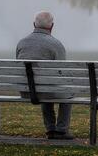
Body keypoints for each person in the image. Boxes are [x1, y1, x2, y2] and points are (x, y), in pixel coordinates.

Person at [16, 11, 74, 140]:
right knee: (67, 92)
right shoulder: (56, 44)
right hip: (46, 90)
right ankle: (61, 130)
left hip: (26, 91)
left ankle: (50, 129)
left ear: (34, 24)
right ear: (52, 26)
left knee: (44, 86)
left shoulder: (21, 43)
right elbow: (61, 72)